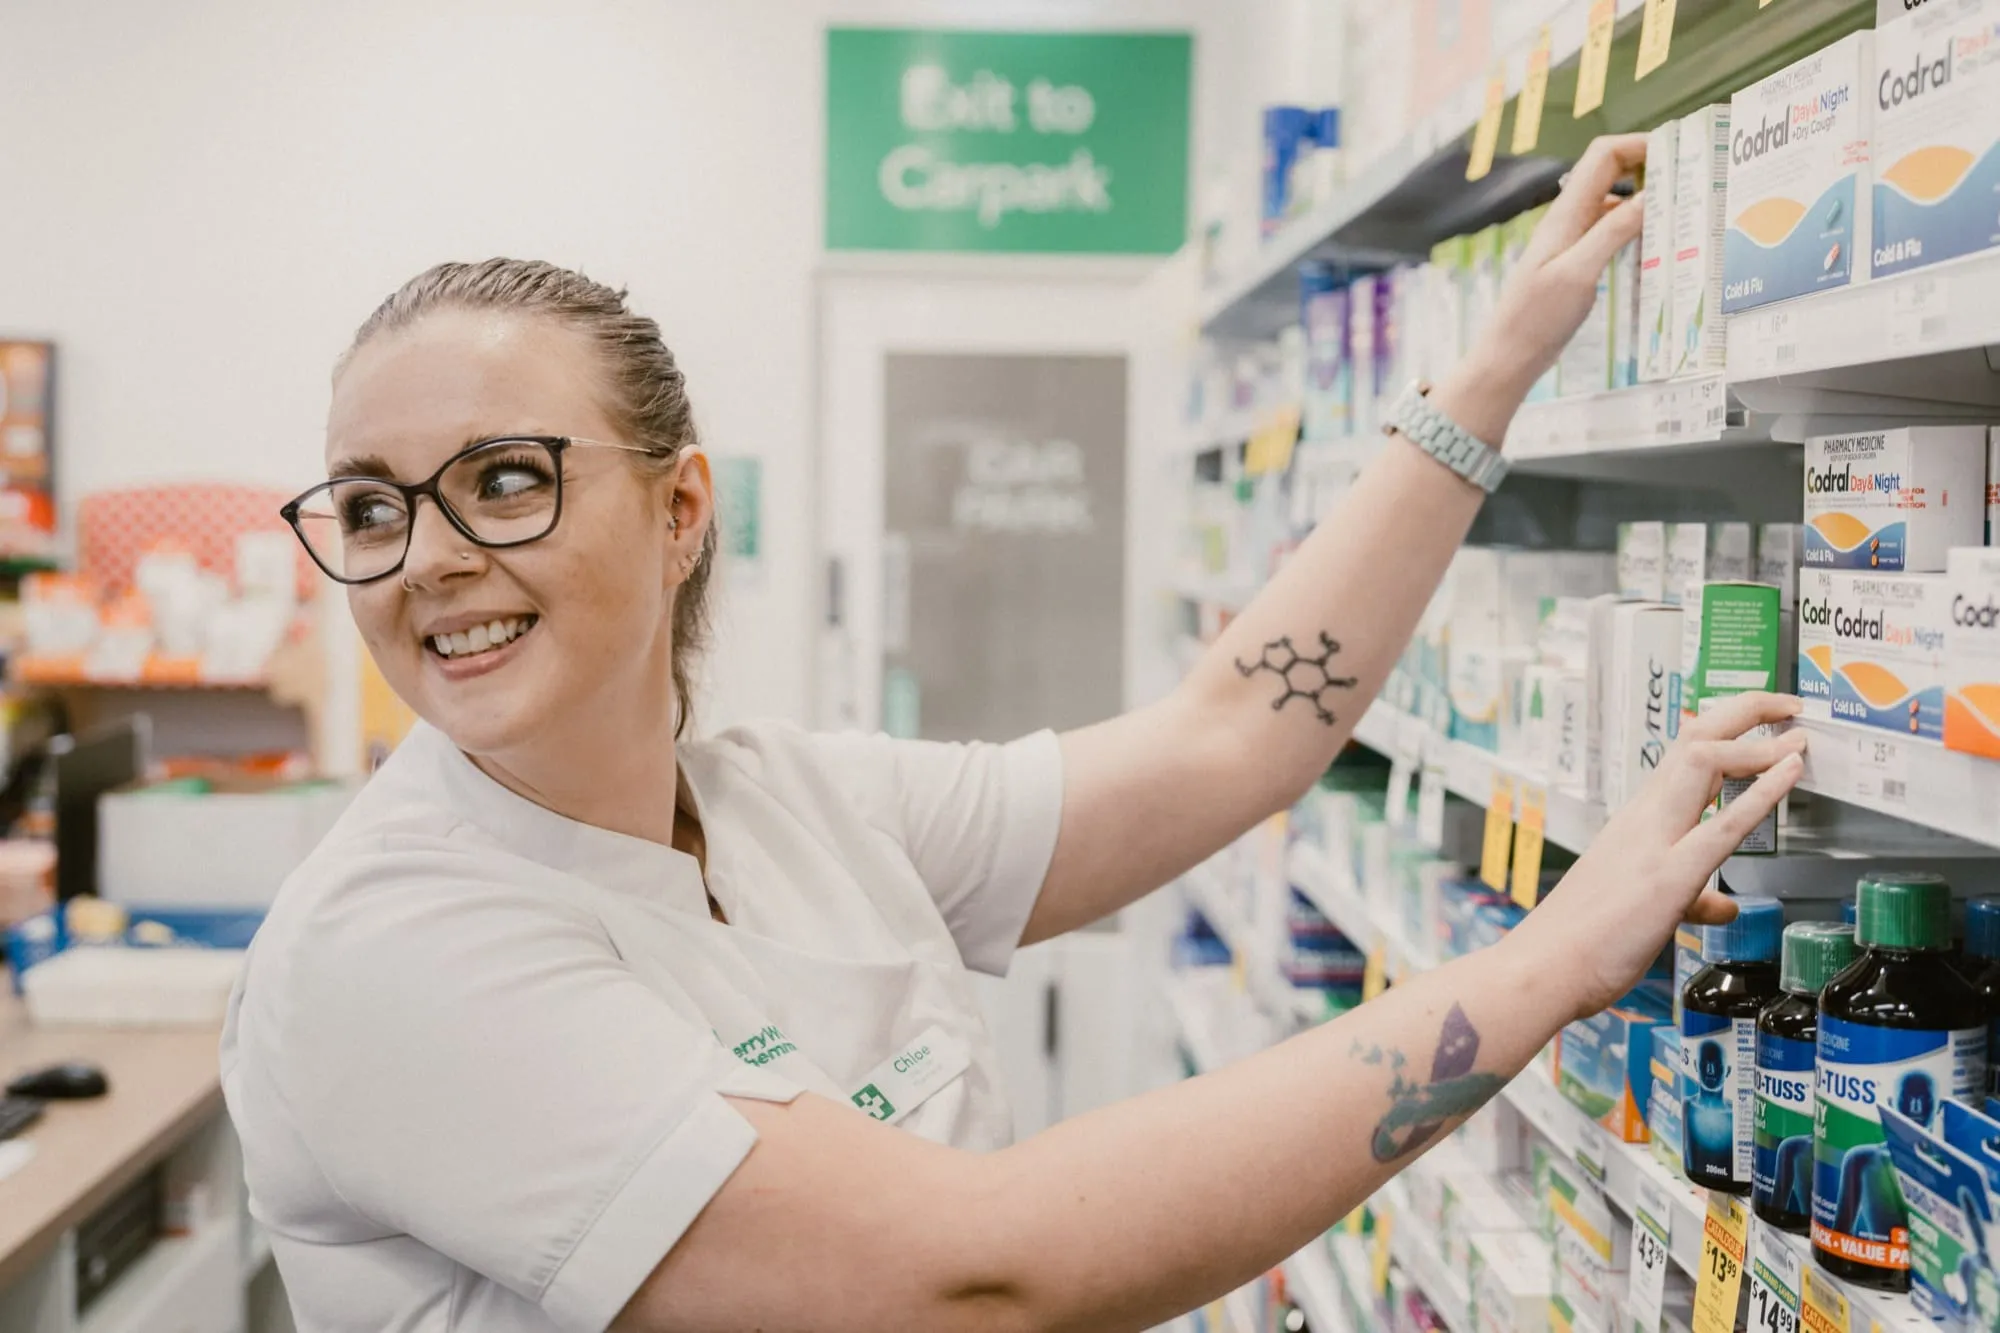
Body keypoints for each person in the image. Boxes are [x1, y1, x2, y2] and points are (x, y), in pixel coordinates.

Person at [221, 133, 1808, 1332]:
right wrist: (1557, 951)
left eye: (505, 478)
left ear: (681, 507)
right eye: (370, 506)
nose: (426, 555)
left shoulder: (785, 802)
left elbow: (1229, 740)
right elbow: (975, 1278)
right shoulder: (397, 948)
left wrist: (1492, 367)